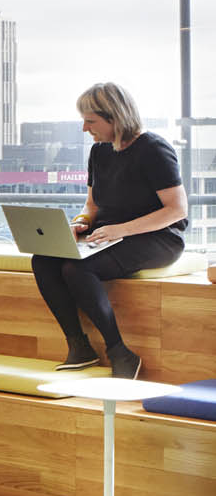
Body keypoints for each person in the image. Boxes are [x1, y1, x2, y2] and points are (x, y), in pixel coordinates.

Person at [32, 82, 187, 380]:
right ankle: (79, 347)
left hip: (158, 237)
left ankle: (120, 352)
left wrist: (121, 230)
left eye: (90, 121)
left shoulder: (154, 149)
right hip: (109, 235)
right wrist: (80, 222)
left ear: (115, 117)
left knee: (78, 267)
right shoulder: (100, 151)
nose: (84, 128)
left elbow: (177, 210)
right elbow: (92, 204)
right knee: (43, 259)